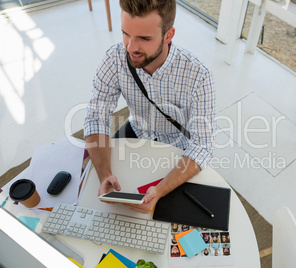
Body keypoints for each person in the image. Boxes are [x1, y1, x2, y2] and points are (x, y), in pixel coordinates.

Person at [84, 0, 216, 214]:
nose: (131, 47)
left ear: (168, 35)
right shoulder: (114, 58)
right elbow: (95, 119)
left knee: (172, 215)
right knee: (96, 200)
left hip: (177, 143)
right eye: (126, 33)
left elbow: (203, 146)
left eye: (144, 38)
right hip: (136, 130)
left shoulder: (199, 76)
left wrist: (161, 190)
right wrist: (105, 174)